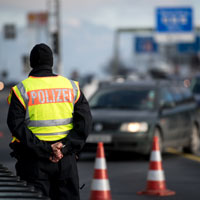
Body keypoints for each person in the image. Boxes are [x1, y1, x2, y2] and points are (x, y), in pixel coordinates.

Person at [7, 43, 92, 200]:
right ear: (51, 63)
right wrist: (64, 148)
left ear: (32, 63)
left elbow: (16, 126)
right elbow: (84, 123)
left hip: (33, 162)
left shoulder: (21, 90)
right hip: (65, 161)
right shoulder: (71, 87)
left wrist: (45, 149)